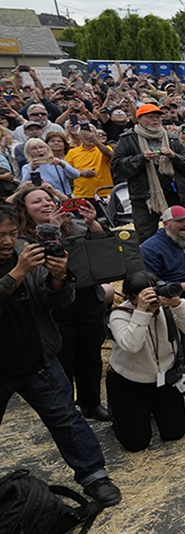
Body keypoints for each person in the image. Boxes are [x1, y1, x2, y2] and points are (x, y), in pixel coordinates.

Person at [0, 203, 121, 505]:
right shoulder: (21, 263)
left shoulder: (26, 251)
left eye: (12, 234)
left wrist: (59, 277)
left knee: (67, 418)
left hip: (37, 359)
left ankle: (94, 475)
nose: (7, 241)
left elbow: (54, 301)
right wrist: (17, 273)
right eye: (0, 235)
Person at [13, 183, 113, 421]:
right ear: (24, 210)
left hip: (88, 301)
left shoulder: (73, 225)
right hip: (54, 310)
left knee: (90, 358)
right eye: (36, 201)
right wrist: (51, 232)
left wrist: (91, 222)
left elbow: (103, 249)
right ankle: (68, 411)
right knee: (63, 363)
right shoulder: (21, 240)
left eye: (48, 199)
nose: (45, 203)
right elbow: (41, 268)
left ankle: (91, 404)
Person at [105, 271, 185, 451]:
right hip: (129, 382)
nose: (153, 298)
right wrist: (142, 311)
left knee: (175, 432)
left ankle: (149, 412)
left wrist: (178, 305)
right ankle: (123, 415)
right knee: (136, 444)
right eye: (144, 294)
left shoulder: (167, 308)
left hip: (165, 378)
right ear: (130, 296)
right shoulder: (119, 315)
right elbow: (132, 345)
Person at [112, 103, 185, 242]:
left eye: (158, 117)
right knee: (146, 238)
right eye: (150, 117)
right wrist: (141, 159)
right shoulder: (128, 139)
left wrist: (174, 156)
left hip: (175, 195)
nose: (156, 120)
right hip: (144, 198)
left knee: (182, 234)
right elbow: (117, 168)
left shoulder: (172, 139)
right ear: (139, 119)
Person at [140, 206, 185, 301]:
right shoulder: (151, 247)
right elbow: (151, 283)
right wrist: (181, 286)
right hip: (173, 297)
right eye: (179, 221)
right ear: (166, 224)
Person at [65, 126, 113, 198]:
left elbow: (111, 156)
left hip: (104, 194)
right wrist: (80, 173)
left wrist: (95, 141)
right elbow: (66, 172)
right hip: (81, 195)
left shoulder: (105, 148)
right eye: (84, 133)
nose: (88, 135)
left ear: (96, 135)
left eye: (91, 132)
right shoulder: (72, 152)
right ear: (79, 137)